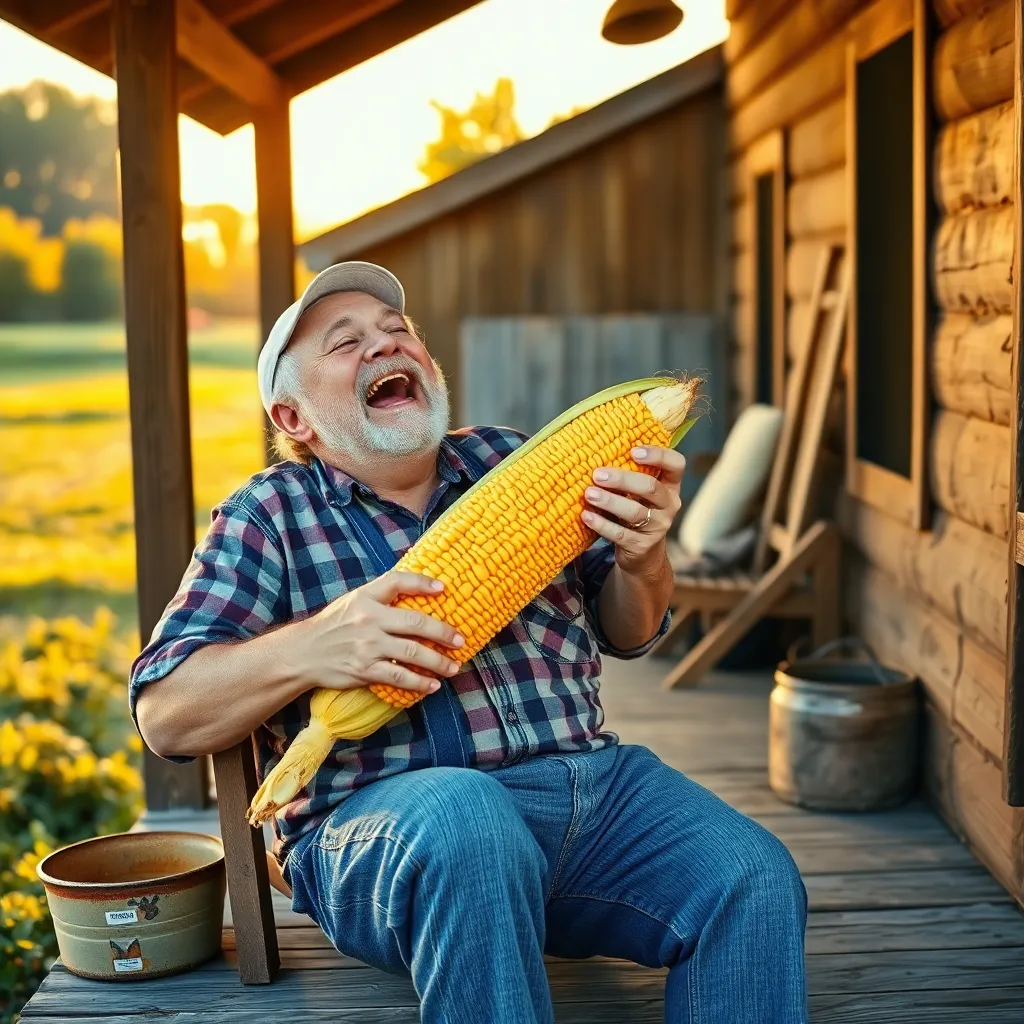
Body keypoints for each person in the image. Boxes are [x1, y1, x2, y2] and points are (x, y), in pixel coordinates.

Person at [130, 261, 808, 1023]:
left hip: (592, 795)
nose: (386, 347)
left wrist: (644, 556)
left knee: (752, 875)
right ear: (294, 418)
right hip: (388, 829)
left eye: (399, 333)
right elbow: (166, 713)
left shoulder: (510, 459)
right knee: (468, 818)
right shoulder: (267, 517)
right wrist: (315, 645)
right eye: (347, 343)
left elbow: (631, 630)